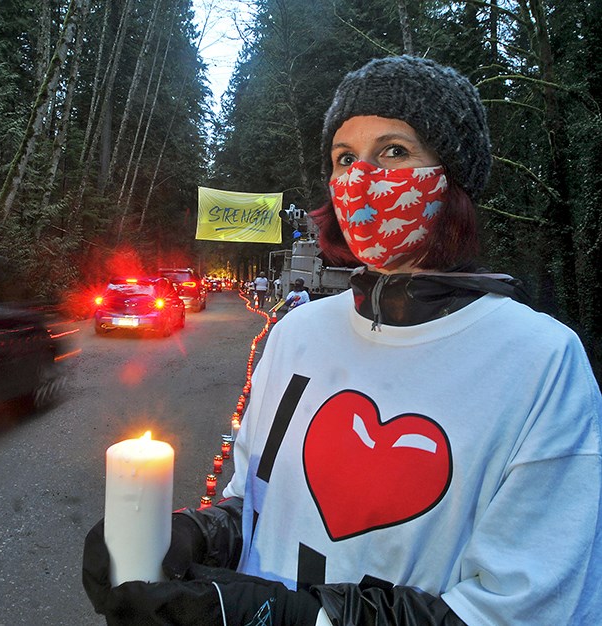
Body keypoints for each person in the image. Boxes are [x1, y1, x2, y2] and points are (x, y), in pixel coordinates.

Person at [83, 56, 602, 625]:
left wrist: (289, 618)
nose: (361, 178)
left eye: (394, 151)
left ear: (453, 178)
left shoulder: (541, 362)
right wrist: (191, 537)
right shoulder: (297, 334)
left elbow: (528, 608)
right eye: (345, 158)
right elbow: (256, 505)